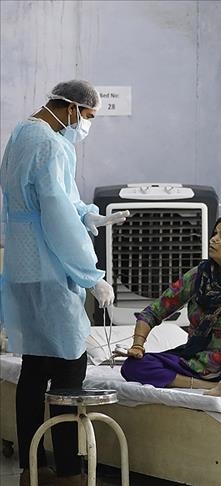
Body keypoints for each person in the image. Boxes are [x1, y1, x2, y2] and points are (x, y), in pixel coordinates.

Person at [0, 79, 129, 486]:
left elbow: (50, 199)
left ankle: (31, 468)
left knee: (35, 366)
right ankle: (69, 472)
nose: (86, 124)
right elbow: (56, 215)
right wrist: (91, 276)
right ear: (71, 107)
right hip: (50, 266)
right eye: (87, 116)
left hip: (22, 265)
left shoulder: (22, 133)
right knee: (70, 366)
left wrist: (89, 214)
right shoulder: (52, 144)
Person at [121, 216, 221, 398]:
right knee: (133, 366)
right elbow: (153, 312)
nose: (213, 239)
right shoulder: (200, 276)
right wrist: (138, 345)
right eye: (215, 233)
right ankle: (212, 386)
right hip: (199, 360)